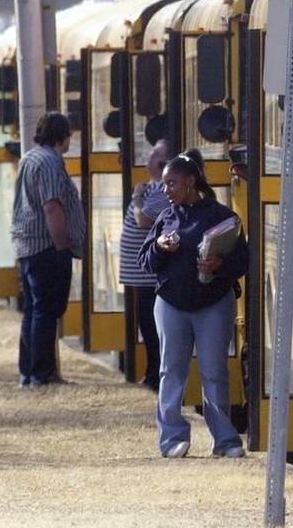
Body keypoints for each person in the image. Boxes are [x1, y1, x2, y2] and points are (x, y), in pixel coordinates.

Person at [138, 148, 248, 459]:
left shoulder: (223, 217)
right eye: (163, 184)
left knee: (214, 372)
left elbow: (243, 260)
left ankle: (225, 440)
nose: (165, 190)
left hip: (213, 303)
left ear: (190, 182)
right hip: (172, 304)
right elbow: (145, 261)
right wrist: (160, 247)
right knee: (171, 371)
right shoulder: (166, 218)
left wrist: (218, 267)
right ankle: (172, 437)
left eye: (171, 183)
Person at [10, 113, 85, 388]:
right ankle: (42, 373)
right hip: (47, 246)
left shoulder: (29, 158)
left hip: (28, 245)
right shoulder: (51, 162)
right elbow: (52, 205)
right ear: (62, 135)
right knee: (47, 309)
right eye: (68, 135)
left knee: (33, 309)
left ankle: (29, 370)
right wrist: (62, 243)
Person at [117, 139, 172, 391]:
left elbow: (144, 220)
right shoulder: (152, 186)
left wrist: (138, 196)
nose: (148, 160)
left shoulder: (161, 190)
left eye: (155, 156)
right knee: (146, 326)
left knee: (151, 328)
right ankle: (151, 372)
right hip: (139, 274)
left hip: (149, 275)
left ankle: (155, 375)